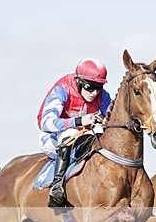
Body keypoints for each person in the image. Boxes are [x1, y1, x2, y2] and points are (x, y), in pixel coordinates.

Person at [37, 58, 112, 208]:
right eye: (89, 87)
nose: (94, 93)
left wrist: (102, 122)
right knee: (69, 134)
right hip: (52, 137)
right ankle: (56, 187)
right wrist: (78, 121)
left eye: (98, 88)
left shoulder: (102, 96)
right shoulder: (62, 89)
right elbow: (45, 122)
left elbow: (109, 121)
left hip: (84, 137)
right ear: (78, 81)